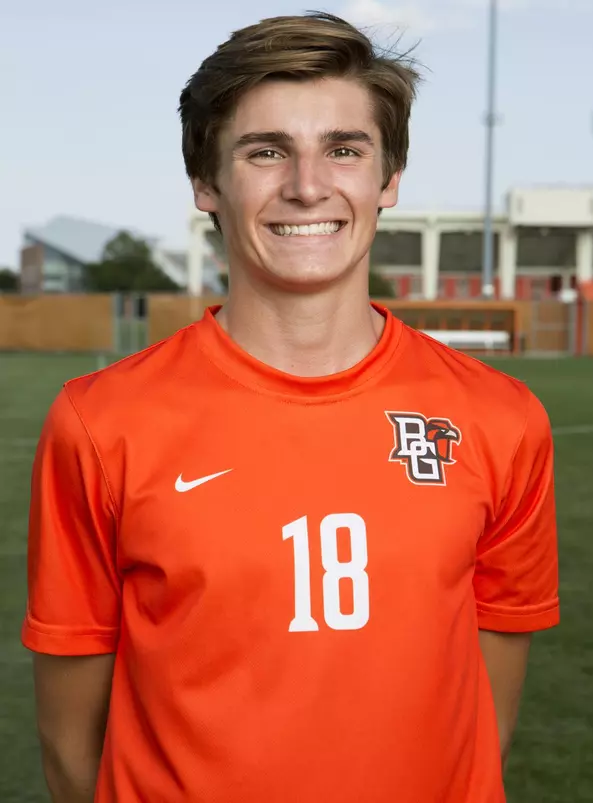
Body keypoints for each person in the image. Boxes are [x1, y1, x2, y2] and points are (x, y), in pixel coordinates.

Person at [22, 12, 559, 803]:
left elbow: (486, 718)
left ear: (388, 178)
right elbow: (71, 745)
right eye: (265, 151)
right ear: (206, 183)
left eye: (344, 149)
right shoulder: (102, 421)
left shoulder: (500, 418)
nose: (308, 185)